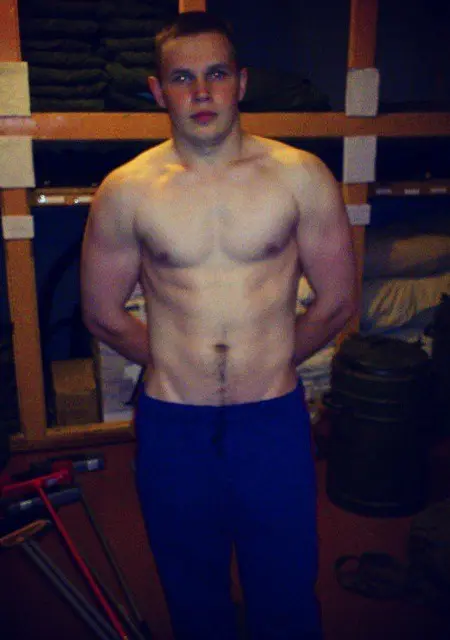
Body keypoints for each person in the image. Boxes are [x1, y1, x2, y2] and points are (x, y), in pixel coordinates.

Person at [81, 11, 356, 640]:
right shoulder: (126, 190)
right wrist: (175, 360)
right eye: (182, 78)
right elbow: (101, 313)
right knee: (192, 591)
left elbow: (338, 302)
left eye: (216, 74)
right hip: (174, 423)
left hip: (271, 421)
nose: (201, 92)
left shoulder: (301, 176)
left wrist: (273, 357)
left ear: (242, 82)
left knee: (286, 589)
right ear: (158, 91)